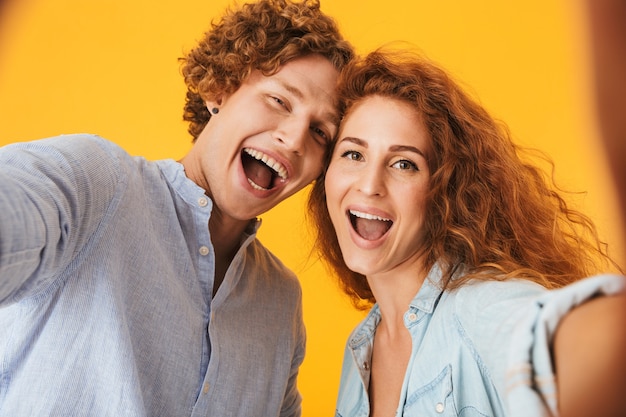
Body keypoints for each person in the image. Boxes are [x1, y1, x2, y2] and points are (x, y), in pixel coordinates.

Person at [0, 0, 353, 415]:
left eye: (320, 131)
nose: (295, 140)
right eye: (279, 100)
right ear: (219, 90)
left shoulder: (280, 302)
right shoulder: (99, 184)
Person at [307, 49, 626, 416]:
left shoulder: (482, 309)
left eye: (404, 164)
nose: (370, 185)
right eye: (353, 155)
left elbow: (563, 343)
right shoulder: (359, 351)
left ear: (443, 190)